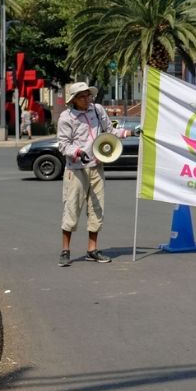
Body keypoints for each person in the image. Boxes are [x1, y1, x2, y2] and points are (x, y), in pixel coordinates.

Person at [54, 81, 120, 265]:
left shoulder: (97, 110)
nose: (87, 99)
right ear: (73, 100)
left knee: (96, 209)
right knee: (72, 207)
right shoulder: (66, 118)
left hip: (97, 166)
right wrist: (77, 152)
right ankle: (65, 250)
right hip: (76, 169)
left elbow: (110, 131)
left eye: (88, 95)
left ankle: (92, 249)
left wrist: (128, 133)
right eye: (83, 96)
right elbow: (63, 144)